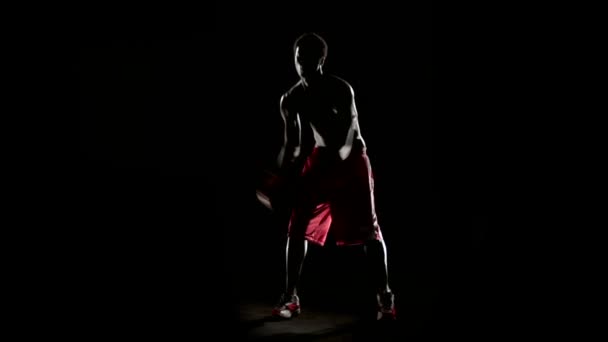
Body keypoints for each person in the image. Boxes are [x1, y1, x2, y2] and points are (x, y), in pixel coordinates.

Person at [266, 32, 396, 320]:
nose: (302, 65)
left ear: (321, 61)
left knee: (369, 233)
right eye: (299, 59)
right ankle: (290, 298)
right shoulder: (291, 98)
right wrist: (276, 176)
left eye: (309, 60)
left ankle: (385, 299)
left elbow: (351, 131)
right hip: (322, 161)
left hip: (351, 161)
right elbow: (293, 145)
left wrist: (341, 158)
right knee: (296, 225)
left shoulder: (341, 89)